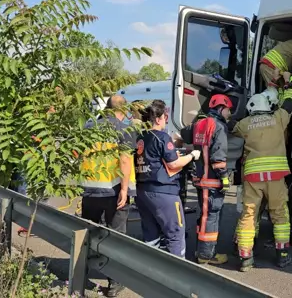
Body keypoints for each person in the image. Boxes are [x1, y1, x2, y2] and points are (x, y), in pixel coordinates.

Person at [231, 72, 292, 272]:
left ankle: (245, 258)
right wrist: (290, 83)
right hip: (276, 177)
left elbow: (230, 127)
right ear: (268, 106)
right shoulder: (278, 118)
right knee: (280, 215)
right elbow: (289, 104)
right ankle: (282, 256)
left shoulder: (245, 124)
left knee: (249, 214)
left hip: (253, 178)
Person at [80, 95, 136, 297]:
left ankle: (80, 274)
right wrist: (124, 189)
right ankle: (115, 282)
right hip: (113, 191)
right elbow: (124, 161)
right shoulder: (124, 129)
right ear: (123, 110)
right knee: (116, 237)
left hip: (90, 191)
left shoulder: (89, 127)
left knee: (89, 235)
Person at [134, 101, 200, 258]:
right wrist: (192, 156)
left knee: (151, 234)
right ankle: (178, 272)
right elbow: (173, 163)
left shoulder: (140, 137)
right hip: (164, 192)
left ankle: (151, 267)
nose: (166, 120)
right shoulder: (162, 137)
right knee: (175, 233)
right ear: (158, 119)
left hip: (142, 191)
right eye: (165, 117)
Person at [180, 94, 234, 265]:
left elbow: (184, 134)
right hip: (211, 181)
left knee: (204, 215)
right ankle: (206, 255)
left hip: (200, 180)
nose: (229, 113)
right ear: (220, 108)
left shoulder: (199, 123)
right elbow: (218, 157)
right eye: (228, 110)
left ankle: (201, 250)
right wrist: (225, 178)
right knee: (211, 216)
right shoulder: (219, 126)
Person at [258, 25, 292, 104]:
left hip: (269, 64)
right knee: (278, 99)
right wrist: (288, 81)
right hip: (271, 66)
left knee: (277, 94)